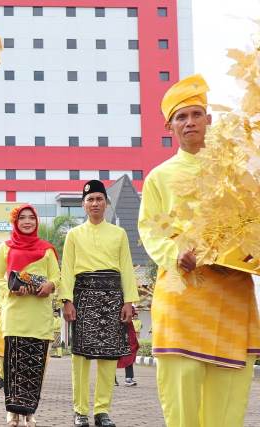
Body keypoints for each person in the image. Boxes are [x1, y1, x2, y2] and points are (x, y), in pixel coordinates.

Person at [138, 74, 260, 427]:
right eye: (181, 117)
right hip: (183, 296)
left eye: (196, 114)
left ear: (209, 119)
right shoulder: (159, 177)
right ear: (169, 126)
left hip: (231, 297)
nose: (189, 122)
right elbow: (149, 228)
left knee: (228, 396)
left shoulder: (239, 175)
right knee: (182, 385)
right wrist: (176, 254)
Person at [61, 180, 139, 427]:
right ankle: (80, 410)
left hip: (112, 298)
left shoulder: (119, 233)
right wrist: (67, 300)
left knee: (108, 357)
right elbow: (67, 270)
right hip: (83, 298)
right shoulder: (73, 234)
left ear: (106, 203)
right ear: (83, 205)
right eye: (90, 199)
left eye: (99, 199)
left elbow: (126, 267)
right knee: (81, 358)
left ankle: (102, 411)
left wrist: (128, 301)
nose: (95, 203)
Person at [0, 204, 60, 427]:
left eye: (31, 218)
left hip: (39, 315)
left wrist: (50, 285)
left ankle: (30, 412)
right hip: (15, 314)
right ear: (15, 222)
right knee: (13, 365)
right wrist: (9, 289)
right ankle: (12, 412)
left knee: (35, 365)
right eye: (22, 218)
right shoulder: (6, 248)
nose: (27, 222)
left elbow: (57, 277)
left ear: (37, 222)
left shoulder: (47, 249)